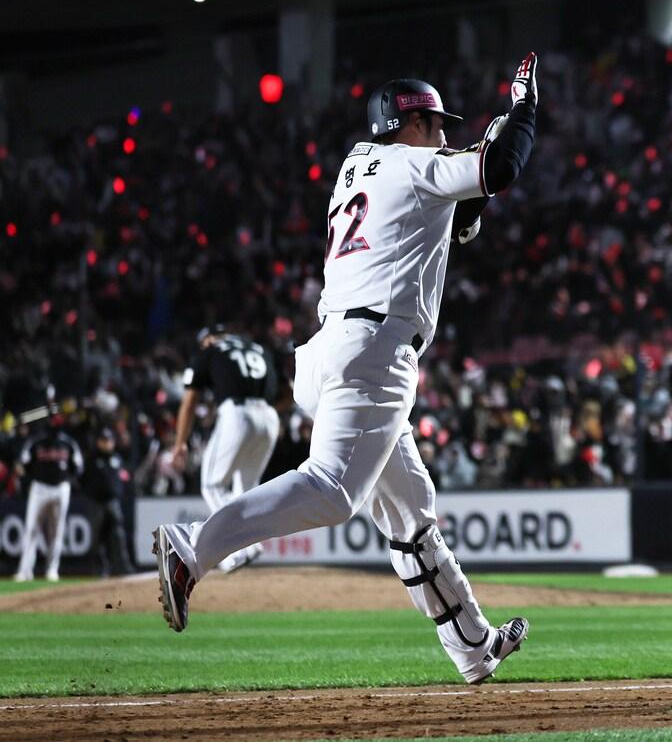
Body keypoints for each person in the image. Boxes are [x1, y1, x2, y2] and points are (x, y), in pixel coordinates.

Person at [154, 55, 540, 687]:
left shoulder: (359, 166)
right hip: (375, 350)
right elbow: (498, 168)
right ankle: (195, 548)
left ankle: (473, 647)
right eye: (435, 123)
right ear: (407, 122)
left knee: (412, 516)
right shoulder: (412, 165)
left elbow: (455, 218)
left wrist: (471, 185)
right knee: (333, 491)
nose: (443, 134)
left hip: (333, 344)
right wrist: (522, 107)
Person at [174, 325, 281, 572]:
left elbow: (189, 401)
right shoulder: (257, 348)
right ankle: (251, 545)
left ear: (207, 339)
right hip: (269, 416)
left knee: (212, 485)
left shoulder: (210, 349)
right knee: (245, 492)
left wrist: (180, 442)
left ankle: (241, 550)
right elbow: (285, 390)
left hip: (237, 414)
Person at [13, 415, 83, 582]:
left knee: (56, 531)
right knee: (31, 529)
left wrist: (67, 480)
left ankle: (52, 570)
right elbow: (23, 464)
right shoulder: (36, 442)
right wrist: (31, 479)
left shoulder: (68, 443)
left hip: (60, 488)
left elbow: (78, 467)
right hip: (40, 488)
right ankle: (25, 571)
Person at [85, 427, 134, 577]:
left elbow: (124, 477)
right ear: (98, 442)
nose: (107, 444)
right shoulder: (92, 459)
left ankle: (123, 568)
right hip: (96, 503)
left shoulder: (116, 458)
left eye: (109, 440)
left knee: (118, 537)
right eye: (104, 440)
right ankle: (100, 570)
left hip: (113, 502)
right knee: (97, 538)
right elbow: (83, 480)